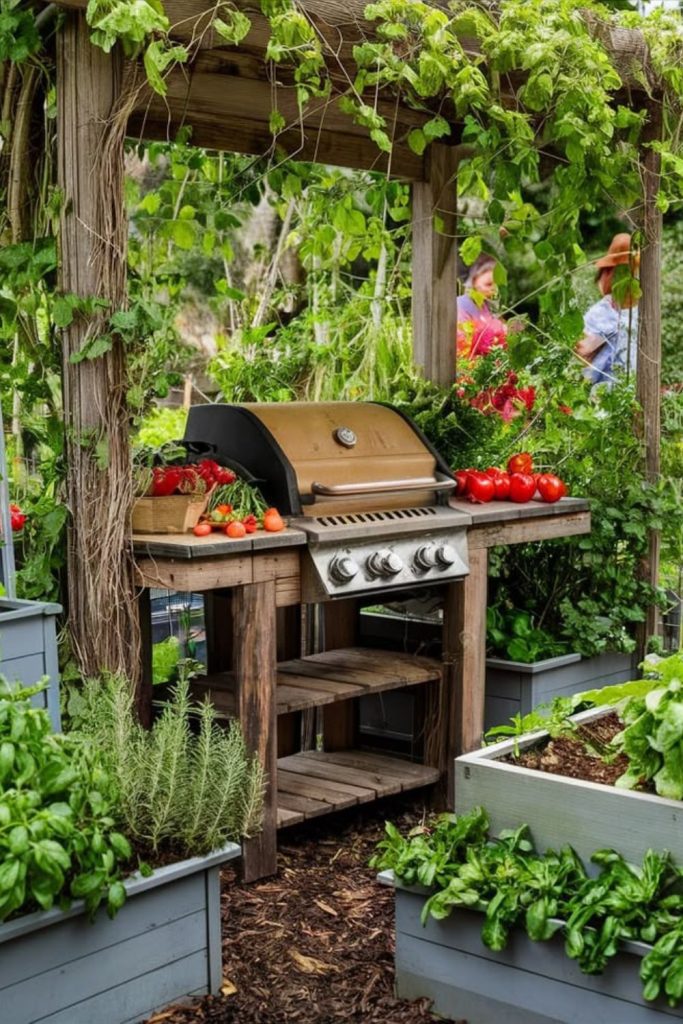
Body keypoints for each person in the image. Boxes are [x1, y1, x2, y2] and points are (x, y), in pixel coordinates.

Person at [576, 233, 639, 386]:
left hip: (609, 390)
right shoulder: (640, 312)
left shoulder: (607, 310)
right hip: (629, 390)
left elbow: (580, 352)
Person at [456, 253, 507, 361]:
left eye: (496, 284)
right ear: (474, 280)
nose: (493, 289)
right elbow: (461, 347)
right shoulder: (461, 306)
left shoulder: (484, 305)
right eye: (488, 284)